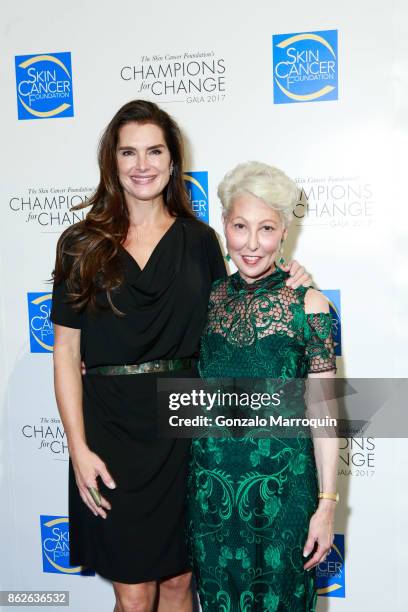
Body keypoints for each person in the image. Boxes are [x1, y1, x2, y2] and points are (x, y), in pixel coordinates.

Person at [51, 100, 312, 612]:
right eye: (129, 152)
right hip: (110, 430)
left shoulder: (199, 241)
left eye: (155, 151)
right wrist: (78, 449)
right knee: (132, 592)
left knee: (178, 584)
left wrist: (292, 281)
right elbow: (65, 351)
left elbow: (238, 308)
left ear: (173, 162)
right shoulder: (80, 244)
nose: (142, 164)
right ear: (113, 161)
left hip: (186, 429)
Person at [187, 162, 338, 612]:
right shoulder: (208, 298)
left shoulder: (309, 304)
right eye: (240, 226)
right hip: (209, 494)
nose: (252, 244)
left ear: (284, 232)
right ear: (224, 227)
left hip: (283, 497)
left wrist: (327, 504)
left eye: (266, 228)